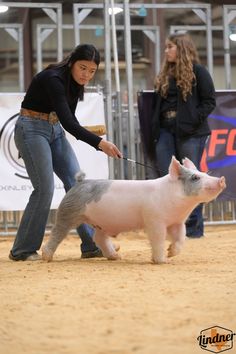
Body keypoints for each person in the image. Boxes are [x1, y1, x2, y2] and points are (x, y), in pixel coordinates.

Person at [9, 44, 122, 261]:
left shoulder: (75, 83)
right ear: (71, 63)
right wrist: (100, 144)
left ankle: (91, 245)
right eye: (82, 68)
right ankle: (22, 250)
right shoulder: (54, 79)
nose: (86, 75)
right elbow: (70, 123)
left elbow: (68, 120)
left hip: (54, 130)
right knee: (44, 188)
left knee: (78, 186)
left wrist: (98, 142)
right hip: (31, 128)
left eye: (91, 71)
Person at [151, 33, 216, 238]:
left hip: (192, 132)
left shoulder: (199, 72)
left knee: (193, 179)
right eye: (166, 47)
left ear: (181, 48)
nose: (166, 51)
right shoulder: (164, 74)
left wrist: (191, 120)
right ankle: (171, 227)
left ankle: (194, 229)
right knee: (167, 177)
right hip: (165, 130)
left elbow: (209, 101)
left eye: (170, 46)